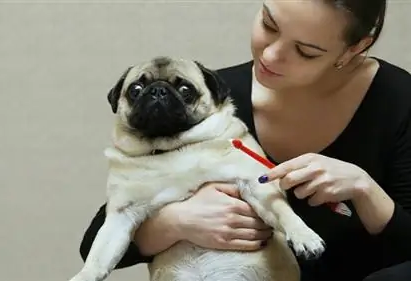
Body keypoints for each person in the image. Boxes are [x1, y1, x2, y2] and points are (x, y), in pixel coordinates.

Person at [79, 0, 411, 280]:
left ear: (354, 49)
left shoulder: (399, 101)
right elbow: (99, 236)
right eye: (269, 24)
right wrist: (176, 223)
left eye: (305, 51)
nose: (271, 54)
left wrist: (365, 190)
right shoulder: (213, 98)